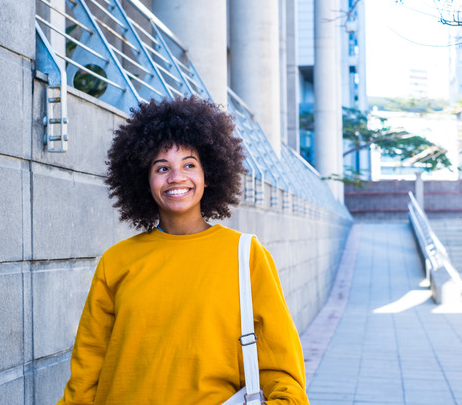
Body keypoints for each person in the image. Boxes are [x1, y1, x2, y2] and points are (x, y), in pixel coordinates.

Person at [57, 96, 309, 404]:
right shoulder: (117, 261)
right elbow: (87, 367)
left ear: (208, 176)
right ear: (144, 180)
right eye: (162, 167)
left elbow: (280, 363)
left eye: (189, 164)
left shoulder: (245, 255)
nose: (176, 177)